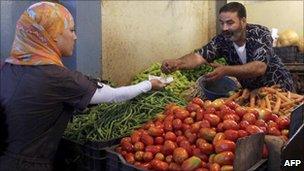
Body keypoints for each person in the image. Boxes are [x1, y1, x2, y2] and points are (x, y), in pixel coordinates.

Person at [0, 2, 166, 170]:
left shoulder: (7, 67)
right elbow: (114, 95)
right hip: (28, 165)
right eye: (71, 30)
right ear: (53, 34)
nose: (75, 37)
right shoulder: (55, 77)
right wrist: (149, 84)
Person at [161, 2, 294, 91]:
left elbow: (259, 67)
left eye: (230, 23)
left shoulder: (260, 33)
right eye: (222, 23)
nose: (224, 28)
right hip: (252, 93)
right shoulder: (222, 40)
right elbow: (198, 56)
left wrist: (226, 70)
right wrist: (178, 63)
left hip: (278, 88)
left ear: (243, 21)